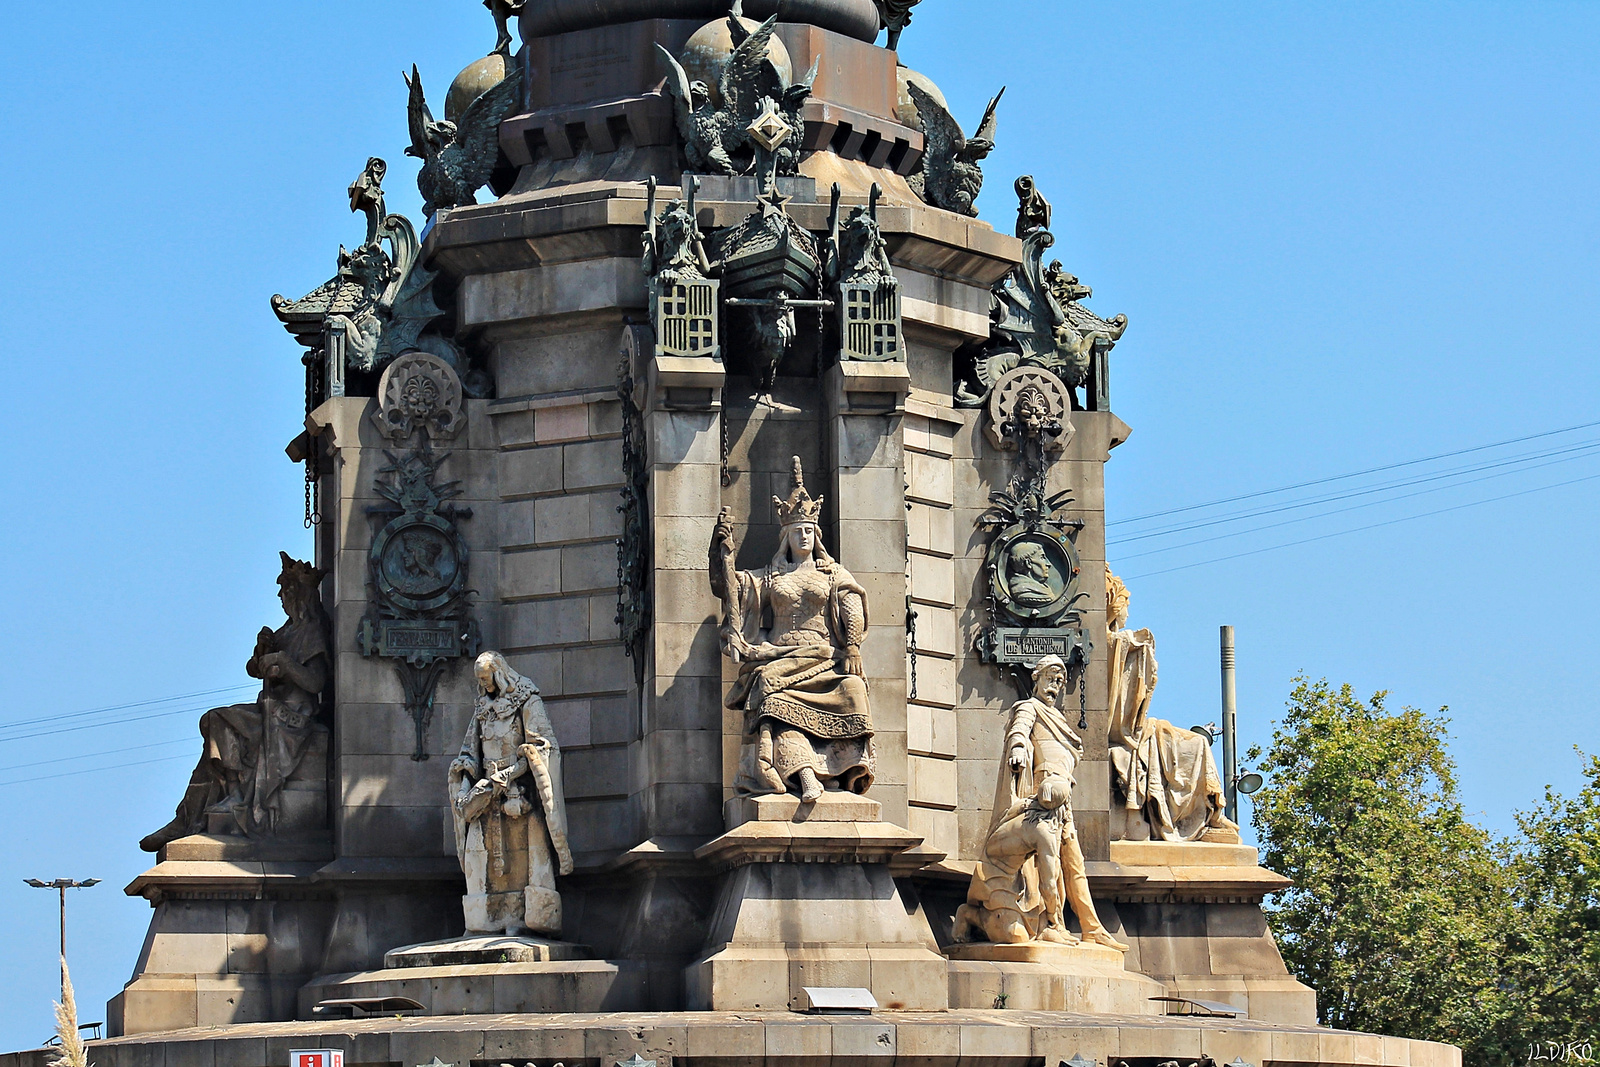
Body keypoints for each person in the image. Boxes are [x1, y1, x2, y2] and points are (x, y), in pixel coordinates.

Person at [709, 457, 875, 803]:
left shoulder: (832, 574)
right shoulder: (771, 576)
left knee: (854, 687)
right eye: (797, 530)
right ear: (786, 534)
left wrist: (854, 646)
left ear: (817, 535)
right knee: (772, 695)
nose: (804, 535)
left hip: (824, 657)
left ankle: (842, 773)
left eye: (809, 530)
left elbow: (852, 606)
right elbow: (733, 590)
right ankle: (803, 774)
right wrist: (722, 554)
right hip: (779, 654)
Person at [140, 554, 330, 852]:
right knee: (213, 720)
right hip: (271, 710)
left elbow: (316, 683)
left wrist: (283, 662)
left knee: (217, 720)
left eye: (284, 591)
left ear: (297, 594)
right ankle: (196, 812)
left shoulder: (311, 631)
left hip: (292, 718)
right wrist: (262, 651)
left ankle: (205, 810)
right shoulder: (287, 630)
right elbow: (253, 669)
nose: (280, 597)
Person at [954, 655, 1128, 950]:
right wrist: (1019, 749)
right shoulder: (1028, 707)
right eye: (1050, 679)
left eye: (1059, 682)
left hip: (1064, 799)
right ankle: (1049, 923)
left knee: (1074, 864)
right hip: (1042, 796)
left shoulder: (1058, 718)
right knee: (1047, 865)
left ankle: (1091, 927)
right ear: (1036, 679)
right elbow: (1019, 730)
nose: (1055, 686)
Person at [1105, 566, 1241, 843]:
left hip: (1138, 727)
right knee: (1197, 744)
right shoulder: (1116, 641)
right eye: (1126, 605)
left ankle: (1212, 814)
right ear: (1115, 606)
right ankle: (1207, 818)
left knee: (1194, 743)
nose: (1128, 613)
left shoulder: (1119, 641)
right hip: (1128, 731)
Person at [450, 651, 573, 936]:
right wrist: (467, 776)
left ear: (499, 673)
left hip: (521, 793)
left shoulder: (528, 700)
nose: (484, 684)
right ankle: (486, 921)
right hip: (487, 794)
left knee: (525, 858)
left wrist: (513, 771)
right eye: (479, 680)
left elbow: (543, 746)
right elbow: (470, 750)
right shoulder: (482, 707)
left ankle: (526, 920)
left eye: (486, 678)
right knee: (481, 857)